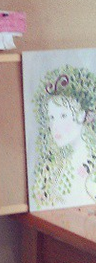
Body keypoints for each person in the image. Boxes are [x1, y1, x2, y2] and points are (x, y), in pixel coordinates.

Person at [30, 66, 96, 209]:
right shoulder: (58, 162)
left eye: (63, 116)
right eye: (52, 118)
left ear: (82, 115)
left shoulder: (89, 165)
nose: (55, 126)